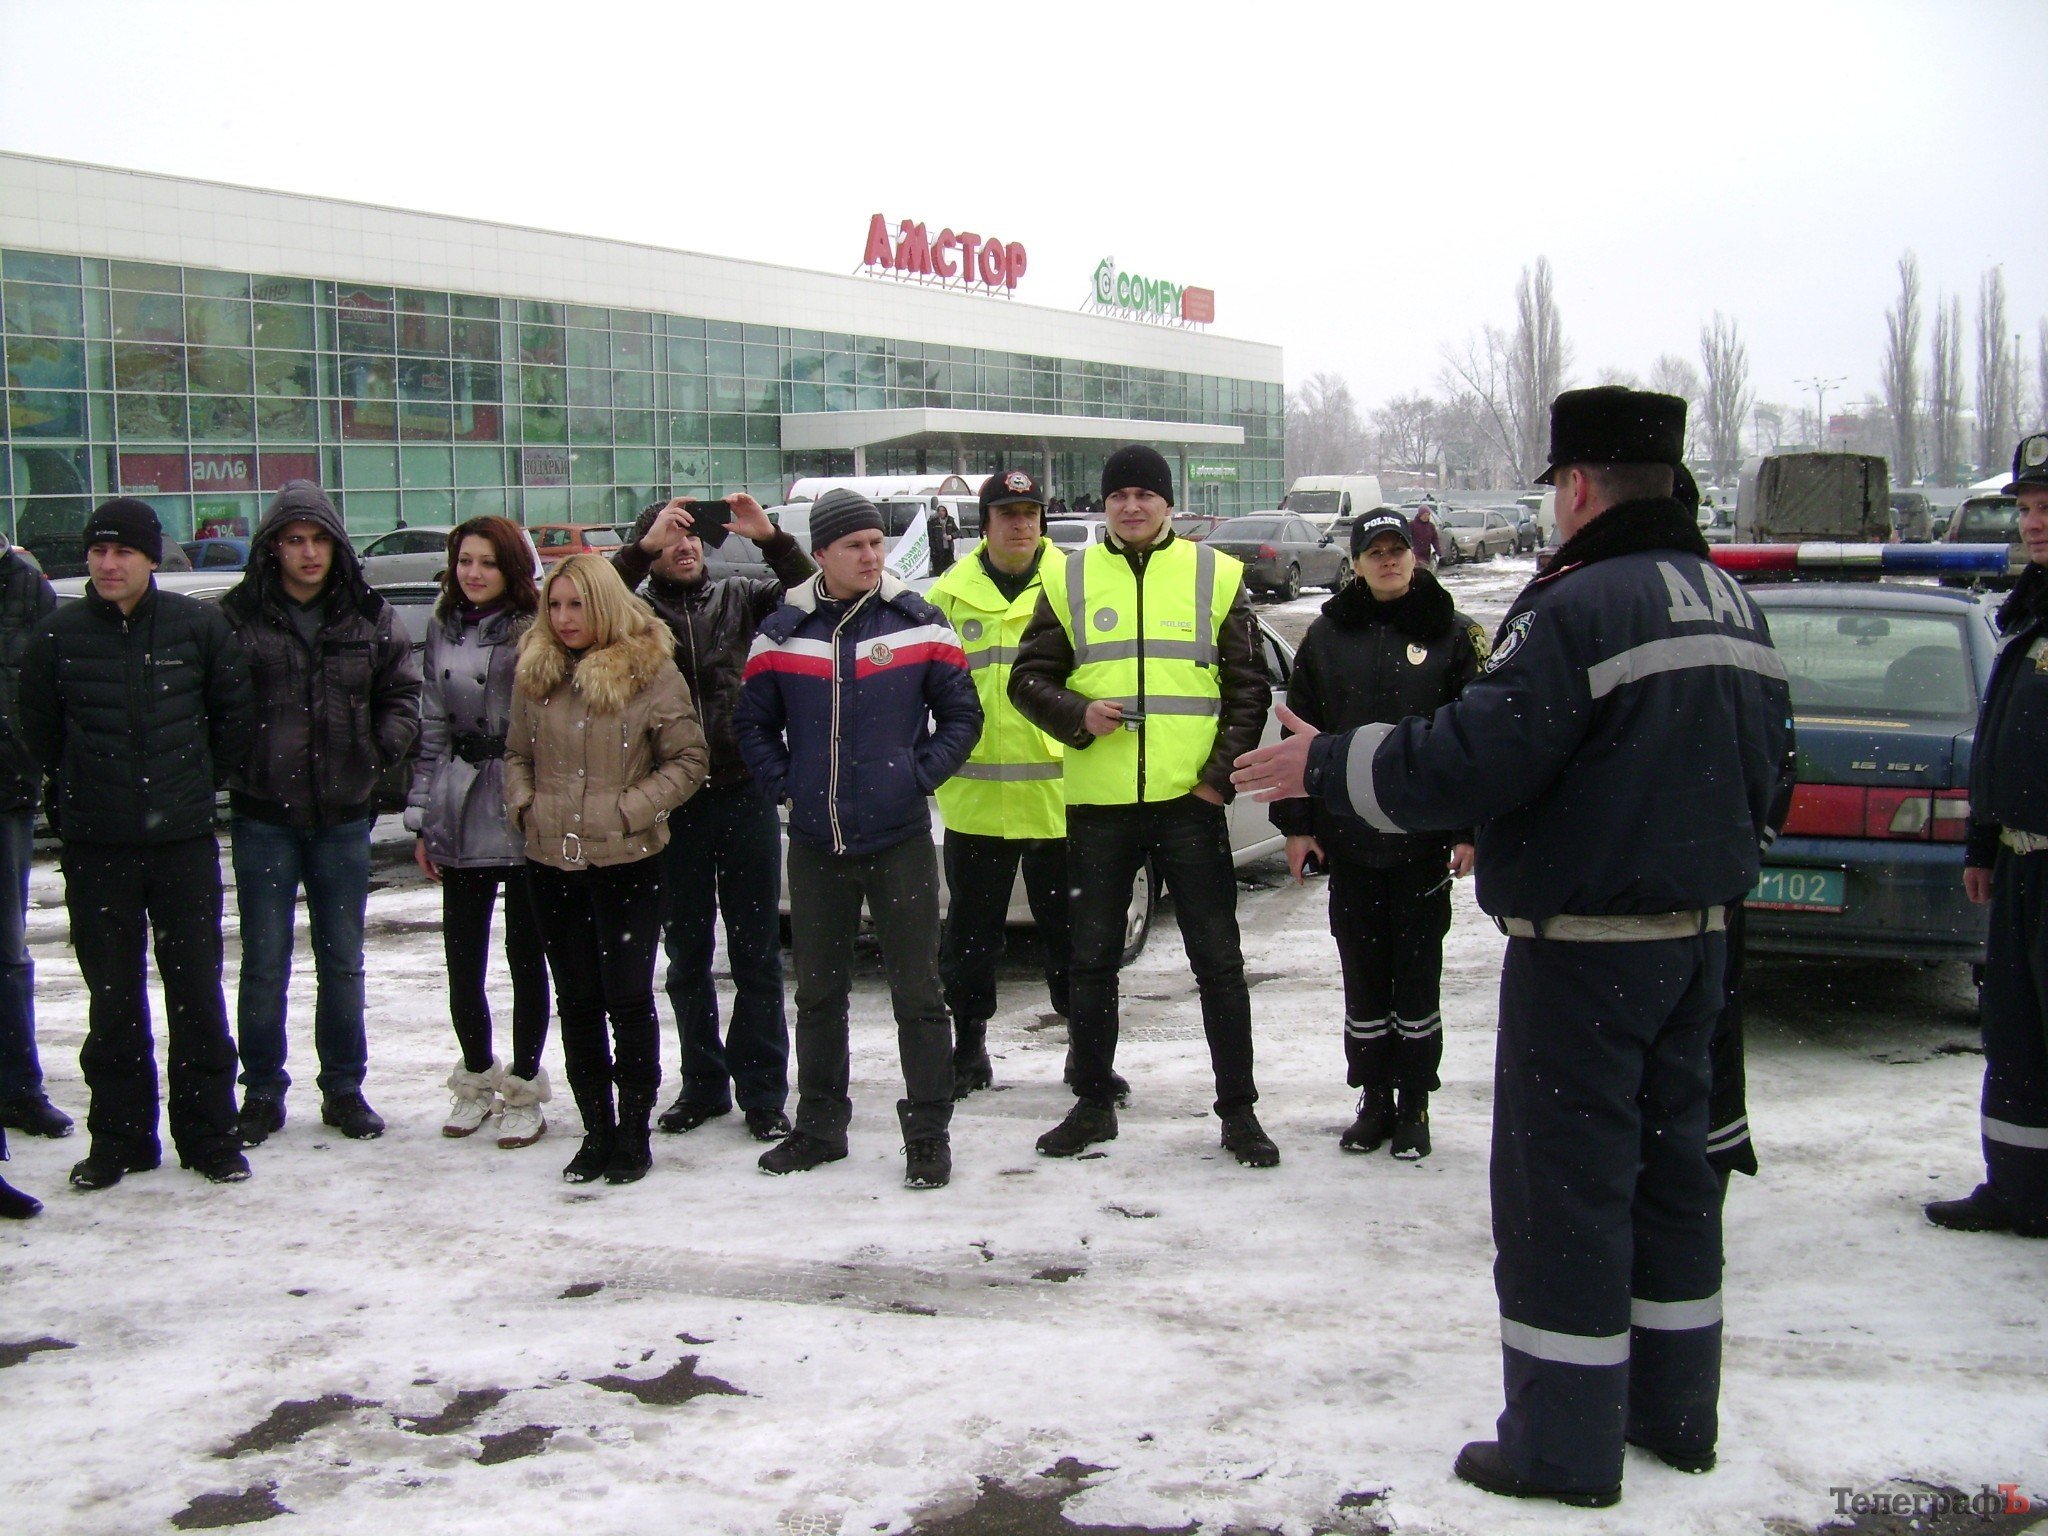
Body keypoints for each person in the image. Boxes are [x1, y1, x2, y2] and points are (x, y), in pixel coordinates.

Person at [1234, 387, 1792, 1506]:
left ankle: (1560, 1445)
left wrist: (1333, 765)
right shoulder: (1730, 601)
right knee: (1671, 1181)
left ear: (1576, 487)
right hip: (1698, 945)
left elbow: (1480, 752)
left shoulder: (1578, 604)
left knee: (1564, 1192)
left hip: (1585, 955)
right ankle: (1675, 1413)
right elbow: (1770, 767)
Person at [1010, 444, 1277, 1167]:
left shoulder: (1215, 574)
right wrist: (1076, 713)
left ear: (1167, 504)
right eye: (1119, 494)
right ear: (1105, 504)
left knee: (1218, 962)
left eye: (1145, 494)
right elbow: (1027, 680)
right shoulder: (1066, 577)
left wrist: (1216, 779)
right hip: (1100, 807)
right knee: (1091, 961)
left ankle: (1238, 1113)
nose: (1131, 506)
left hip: (1188, 803)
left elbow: (1247, 690)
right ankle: (1093, 1102)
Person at [734, 488, 982, 1189]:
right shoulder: (782, 633)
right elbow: (751, 723)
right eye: (855, 546)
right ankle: (819, 1126)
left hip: (898, 837)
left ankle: (928, 1133)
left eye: (876, 543)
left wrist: (917, 776)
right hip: (816, 842)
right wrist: (787, 784)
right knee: (818, 995)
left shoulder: (918, 623)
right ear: (821, 555)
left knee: (918, 994)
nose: (871, 556)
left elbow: (962, 715)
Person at [18, 498, 256, 1189]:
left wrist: (193, 783)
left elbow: (232, 717)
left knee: (197, 995)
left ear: (152, 558)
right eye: (98, 551)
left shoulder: (198, 628)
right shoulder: (58, 636)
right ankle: (120, 1139)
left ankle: (209, 1136)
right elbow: (39, 729)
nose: (108, 564)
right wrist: (81, 787)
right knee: (113, 1000)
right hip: (98, 849)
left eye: (122, 551)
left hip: (181, 846)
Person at [1270, 508, 1486, 1160]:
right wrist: (1298, 827)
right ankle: (1373, 1098)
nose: (1388, 560)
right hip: (1350, 840)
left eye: (1398, 549)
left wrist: (1467, 828)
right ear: (1357, 561)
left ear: (1415, 556)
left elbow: (1475, 743)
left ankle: (1415, 1102)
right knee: (1363, 974)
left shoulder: (1451, 634)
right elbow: (1296, 738)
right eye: (1375, 551)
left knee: (1417, 974)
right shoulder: (1329, 636)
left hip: (1421, 845)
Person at [221, 481, 421, 1145]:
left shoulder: (367, 615)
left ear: (337, 547)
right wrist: (236, 760)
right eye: (294, 540)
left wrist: (376, 755)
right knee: (266, 960)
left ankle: (344, 1087)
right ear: (274, 547)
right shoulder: (239, 616)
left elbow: (402, 694)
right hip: (262, 815)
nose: (308, 554)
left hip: (343, 815)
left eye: (319, 540)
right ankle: (262, 1091)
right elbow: (210, 701)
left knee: (343, 960)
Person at [611, 492, 813, 1144]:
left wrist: (770, 538)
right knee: (687, 955)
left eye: (691, 534)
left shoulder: (740, 597)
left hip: (743, 790)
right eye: (669, 535)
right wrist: (638, 551)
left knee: (756, 952)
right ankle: (702, 1083)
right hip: (672, 802)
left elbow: (813, 593)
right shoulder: (632, 614)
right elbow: (583, 600)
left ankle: (762, 1091)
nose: (685, 544)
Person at [505, 554, 707, 1185]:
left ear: (605, 604)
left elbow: (688, 758)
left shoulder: (650, 670)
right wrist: (525, 807)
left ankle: (633, 1129)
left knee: (626, 999)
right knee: (578, 1001)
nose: (564, 619)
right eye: (555, 605)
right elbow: (515, 754)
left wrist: (629, 811)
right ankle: (595, 1129)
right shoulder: (536, 671)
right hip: (550, 860)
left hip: (628, 862)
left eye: (577, 604)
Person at [1928, 431, 2048, 1237]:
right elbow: (2008, 739)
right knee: (2016, 1033)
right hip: (2019, 865)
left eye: (2047, 510)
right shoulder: (2028, 608)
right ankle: (2020, 1188)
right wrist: (1982, 841)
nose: (2033, 523)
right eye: (2029, 508)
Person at [406, 517, 553, 1147]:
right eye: (465, 560)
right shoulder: (440, 625)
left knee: (527, 959)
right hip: (460, 800)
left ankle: (524, 1085)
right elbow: (431, 727)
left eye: (488, 562)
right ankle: (473, 1076)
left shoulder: (538, 627)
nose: (473, 573)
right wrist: (423, 818)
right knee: (463, 961)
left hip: (522, 800)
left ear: (511, 568)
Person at [929, 470, 1072, 1097]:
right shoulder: (947, 596)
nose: (1020, 523)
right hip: (976, 800)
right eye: (1006, 512)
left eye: (1030, 512)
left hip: (1060, 799)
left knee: (1073, 936)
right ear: (983, 523)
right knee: (970, 937)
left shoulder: (1075, 585)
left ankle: (1087, 1054)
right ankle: (969, 1050)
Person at [0, 535, 66, 1143]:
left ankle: (19, 1090)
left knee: (8, 954)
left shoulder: (27, 587)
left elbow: (51, 687)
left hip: (6, 792)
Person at [1409, 501, 1442, 569]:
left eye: (1428, 515)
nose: (1426, 517)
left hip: (1426, 554)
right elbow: (1407, 536)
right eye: (1424, 515)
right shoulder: (1412, 525)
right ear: (1420, 515)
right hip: (1414, 553)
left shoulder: (1431, 526)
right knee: (1416, 570)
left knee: (1424, 570)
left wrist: (1438, 550)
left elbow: (1434, 539)